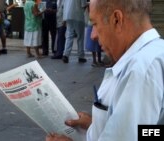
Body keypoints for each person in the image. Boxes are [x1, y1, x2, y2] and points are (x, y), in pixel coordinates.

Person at [45, 0, 164, 140]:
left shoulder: (140, 71)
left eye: (95, 24)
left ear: (116, 20)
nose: (93, 35)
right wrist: (97, 124)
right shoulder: (154, 54)